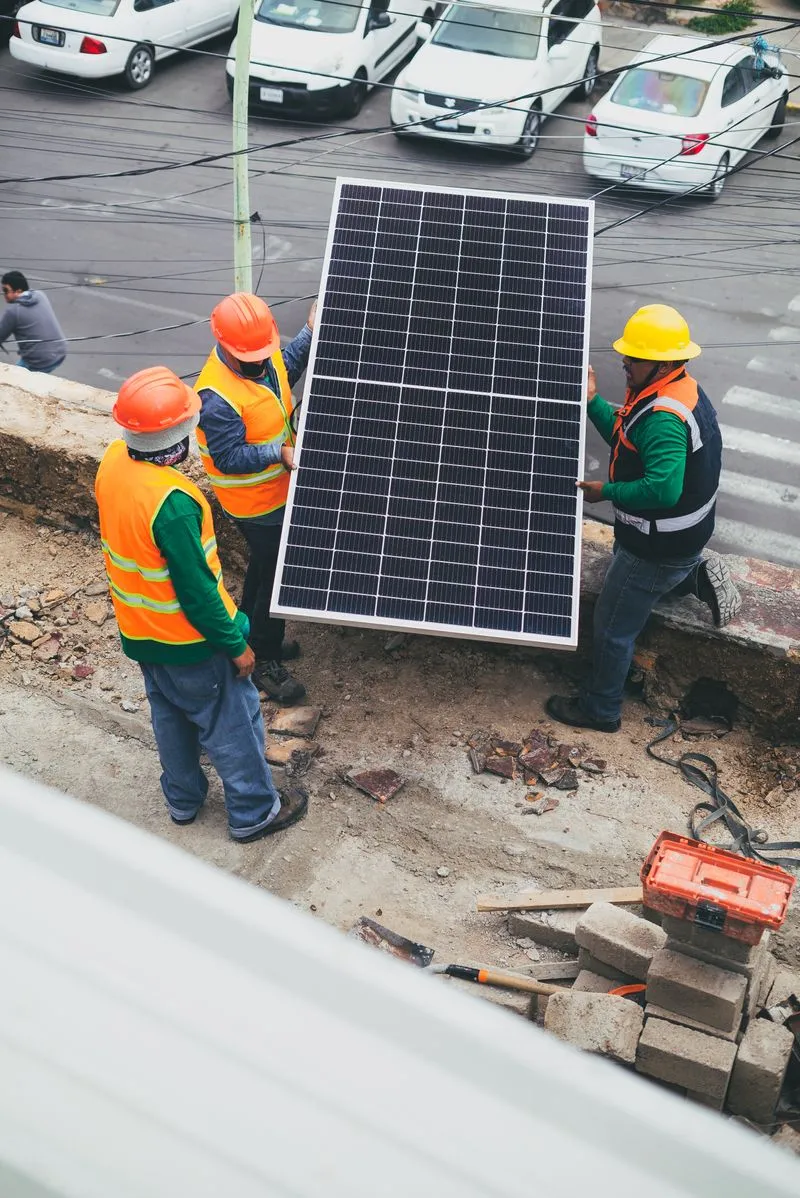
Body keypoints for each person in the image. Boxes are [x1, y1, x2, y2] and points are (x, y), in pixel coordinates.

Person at [94, 365, 308, 841]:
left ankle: (183, 801)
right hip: (192, 644)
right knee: (233, 724)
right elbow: (197, 592)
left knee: (170, 718)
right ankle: (254, 811)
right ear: (180, 434)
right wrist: (237, 645)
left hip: (142, 634)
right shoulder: (174, 502)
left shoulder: (112, 463)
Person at [547, 304, 741, 734]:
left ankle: (600, 710)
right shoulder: (680, 390)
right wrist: (594, 402)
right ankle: (693, 575)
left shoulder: (664, 419)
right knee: (635, 575)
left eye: (634, 357)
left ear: (664, 362)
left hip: (655, 547)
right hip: (677, 539)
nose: (625, 362)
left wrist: (606, 491)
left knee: (612, 628)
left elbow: (661, 491)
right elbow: (627, 438)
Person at [195, 293, 316, 706]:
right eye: (252, 354)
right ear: (227, 347)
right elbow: (228, 458)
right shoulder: (216, 396)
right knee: (270, 577)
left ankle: (261, 637)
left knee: (267, 574)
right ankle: (261, 657)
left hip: (281, 490)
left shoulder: (262, 361)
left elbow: (287, 367)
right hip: (256, 505)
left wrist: (309, 332)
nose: (261, 359)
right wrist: (276, 453)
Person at [0, 270, 68, 374]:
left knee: (11, 377)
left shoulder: (14, 311)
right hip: (60, 351)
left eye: (6, 290)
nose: (4, 294)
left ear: (18, 291)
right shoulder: (40, 295)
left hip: (41, 362)